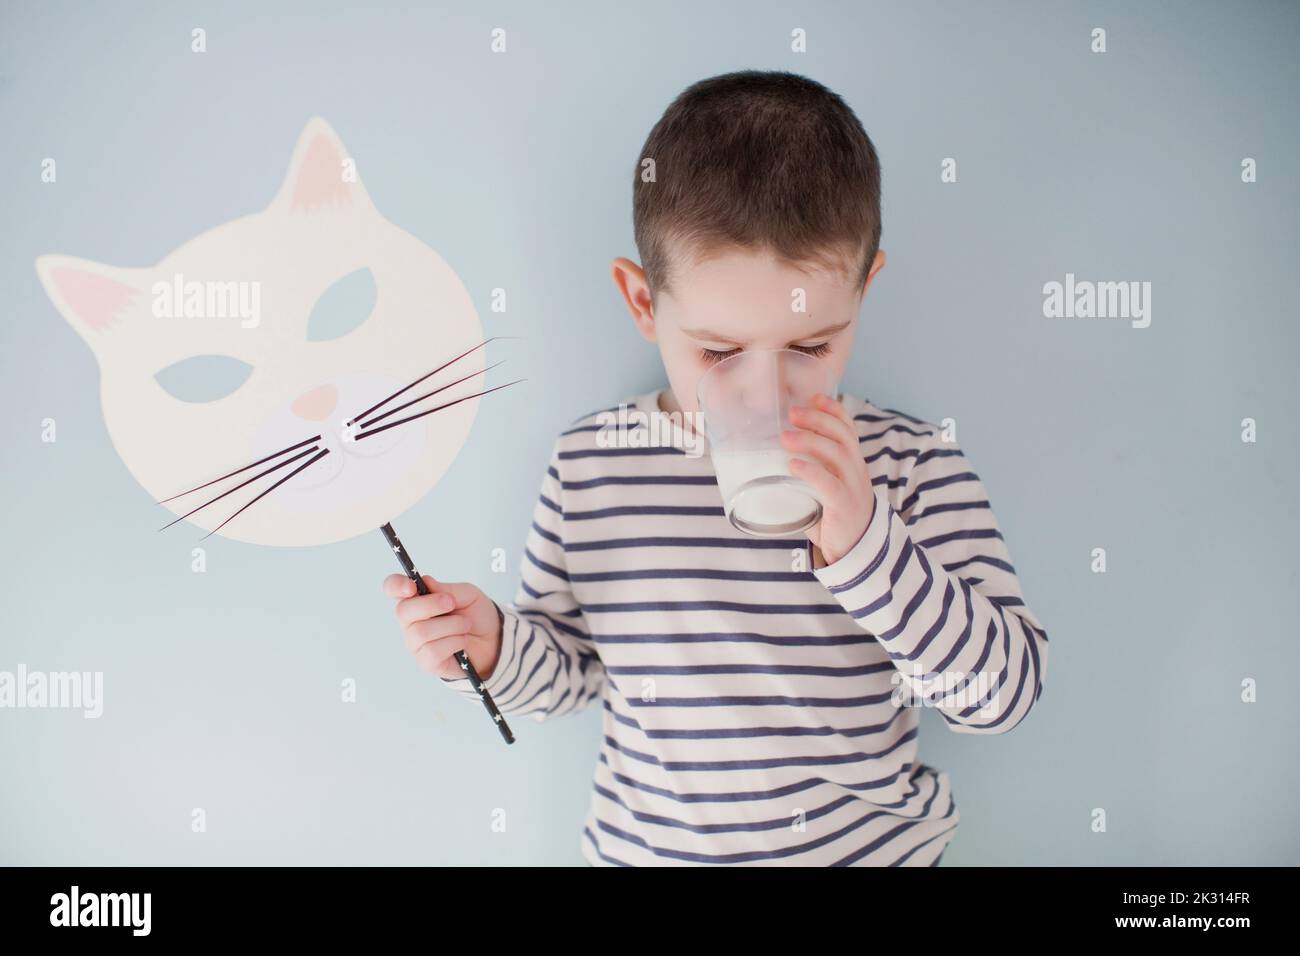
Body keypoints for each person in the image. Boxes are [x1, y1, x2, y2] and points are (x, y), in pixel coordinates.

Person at [384, 70, 1049, 866]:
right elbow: (569, 678)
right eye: (718, 351)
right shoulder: (593, 467)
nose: (761, 387)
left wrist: (869, 543)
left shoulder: (909, 464)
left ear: (864, 293)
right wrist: (489, 648)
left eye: (809, 346)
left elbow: (1000, 699)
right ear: (643, 305)